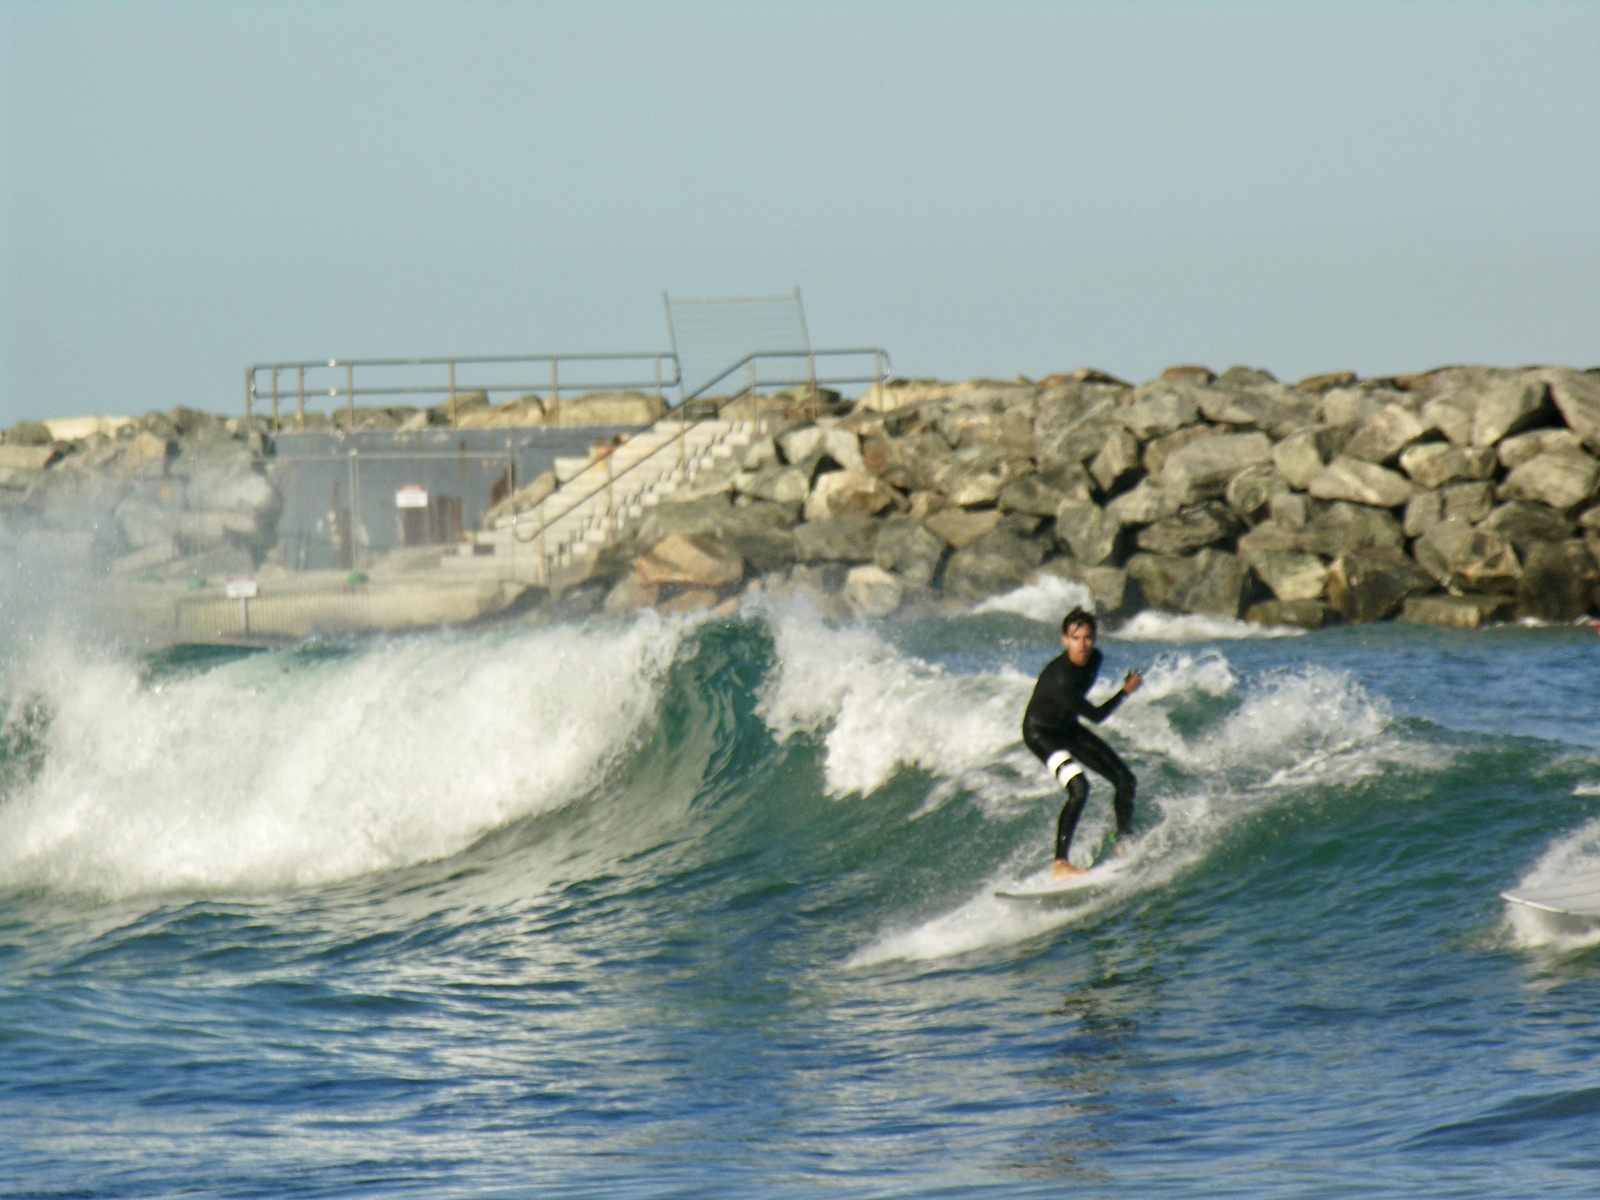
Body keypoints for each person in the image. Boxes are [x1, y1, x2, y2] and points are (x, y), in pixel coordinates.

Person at [1022, 608, 1142, 880]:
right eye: (1075, 638)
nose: (1083, 645)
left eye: (1088, 637)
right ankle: (1060, 865)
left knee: (1125, 780)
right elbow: (1097, 716)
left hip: (1067, 727)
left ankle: (1124, 842)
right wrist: (1125, 691)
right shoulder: (1060, 679)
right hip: (1041, 734)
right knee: (1079, 788)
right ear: (1064, 640)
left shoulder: (1095, 658)